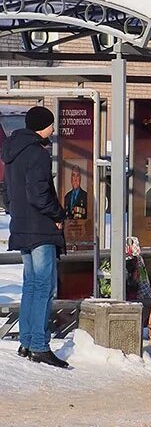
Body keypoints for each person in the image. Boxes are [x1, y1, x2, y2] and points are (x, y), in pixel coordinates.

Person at [3, 106, 69, 368]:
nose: (53, 130)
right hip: (41, 229)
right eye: (51, 125)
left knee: (30, 286)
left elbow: (6, 193)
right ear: (43, 126)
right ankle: (39, 345)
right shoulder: (37, 155)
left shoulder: (12, 153)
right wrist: (58, 214)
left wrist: (17, 212)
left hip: (21, 225)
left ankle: (28, 341)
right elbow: (39, 194)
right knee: (44, 287)